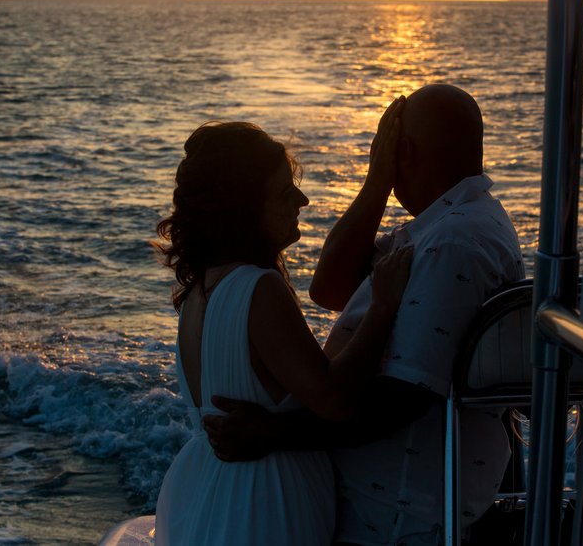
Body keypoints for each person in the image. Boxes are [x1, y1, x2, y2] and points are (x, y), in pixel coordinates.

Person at [204, 84, 525, 545]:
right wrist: (376, 184)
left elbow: (402, 398)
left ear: (404, 151)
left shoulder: (452, 243)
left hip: (396, 519)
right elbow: (330, 286)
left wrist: (274, 433)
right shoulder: (440, 227)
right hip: (386, 511)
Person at [153, 121, 413, 546]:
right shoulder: (258, 288)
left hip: (208, 491)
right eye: (284, 191)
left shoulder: (200, 290)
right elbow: (334, 399)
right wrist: (383, 307)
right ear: (245, 207)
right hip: (260, 507)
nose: (303, 200)